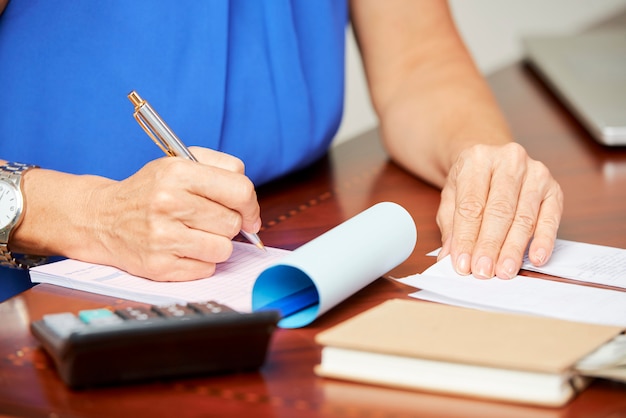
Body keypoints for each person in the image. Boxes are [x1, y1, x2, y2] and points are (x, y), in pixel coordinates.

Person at [0, 1, 563, 300]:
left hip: (278, 243)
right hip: (34, 294)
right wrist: (91, 216)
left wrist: (479, 158)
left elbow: (420, 65)